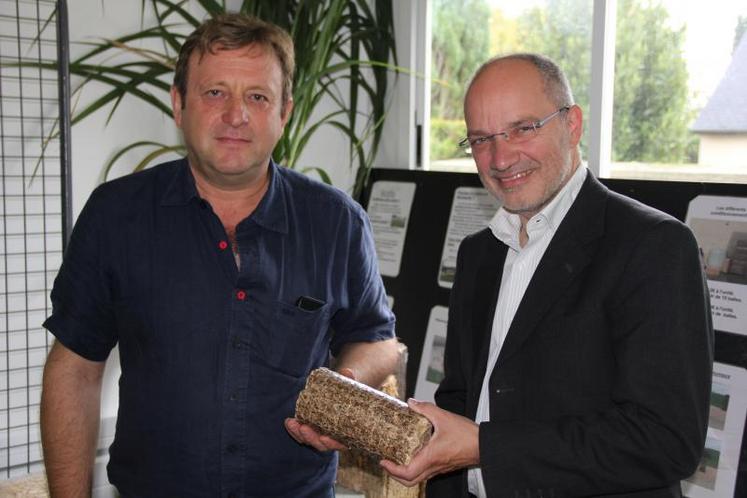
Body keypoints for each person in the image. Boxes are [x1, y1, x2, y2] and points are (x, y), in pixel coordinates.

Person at [40, 13, 399, 498]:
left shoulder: (337, 222)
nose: (236, 114)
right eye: (215, 93)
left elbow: (376, 338)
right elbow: (75, 369)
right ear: (178, 103)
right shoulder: (116, 216)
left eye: (257, 96)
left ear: (285, 111)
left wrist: (345, 383)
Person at [380, 53, 714, 497]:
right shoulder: (478, 253)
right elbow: (461, 402)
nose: (500, 157)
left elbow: (665, 440)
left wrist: (484, 447)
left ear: (572, 125)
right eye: (481, 139)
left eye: (522, 128)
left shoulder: (653, 246)